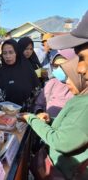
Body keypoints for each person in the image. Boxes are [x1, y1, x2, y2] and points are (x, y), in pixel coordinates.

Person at [24, 11, 88, 179]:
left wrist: (30, 119)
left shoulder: (84, 102)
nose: (80, 69)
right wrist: (47, 119)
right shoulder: (79, 97)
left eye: (81, 58)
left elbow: (62, 141)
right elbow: (75, 129)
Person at [0, 39, 40, 111]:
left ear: (17, 53)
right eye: (5, 53)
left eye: (11, 52)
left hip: (24, 116)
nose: (7, 56)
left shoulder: (28, 70)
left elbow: (36, 92)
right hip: (3, 117)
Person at [34, 49, 76, 117]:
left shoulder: (81, 87)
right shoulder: (53, 83)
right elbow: (38, 104)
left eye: (63, 65)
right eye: (56, 66)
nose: (59, 69)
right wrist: (40, 112)